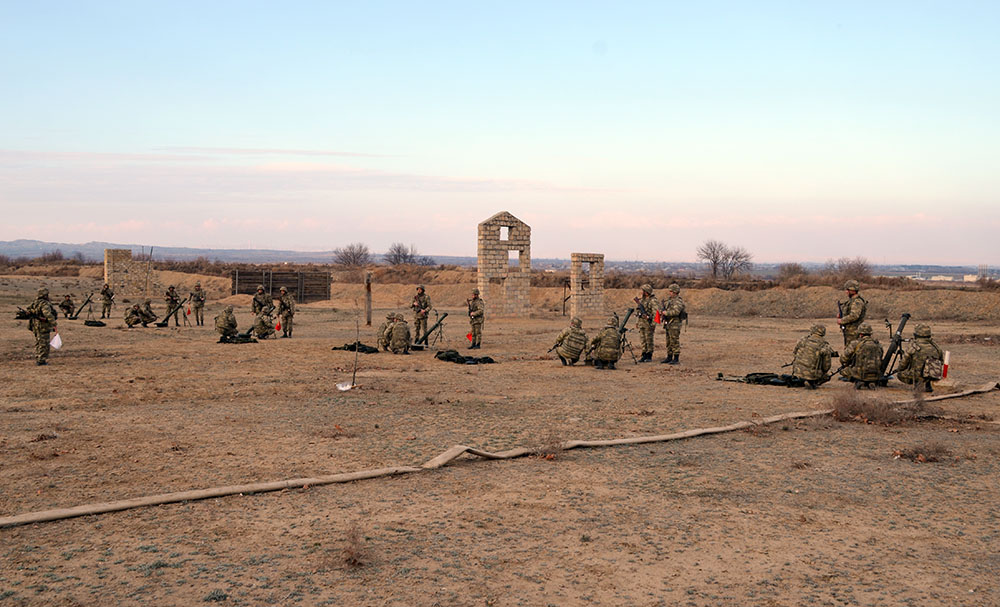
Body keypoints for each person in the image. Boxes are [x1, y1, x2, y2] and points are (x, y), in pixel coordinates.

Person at [896, 324, 944, 393]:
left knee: (900, 374)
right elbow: (941, 362)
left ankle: (917, 384)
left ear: (916, 335)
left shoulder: (913, 347)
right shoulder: (936, 347)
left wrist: (899, 369)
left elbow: (903, 364)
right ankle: (928, 384)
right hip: (932, 376)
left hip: (916, 375)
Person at [839, 323, 883, 388]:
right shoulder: (877, 344)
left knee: (843, 371)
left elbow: (843, 358)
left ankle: (859, 381)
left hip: (859, 374)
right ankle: (871, 382)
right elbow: (881, 356)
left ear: (860, 334)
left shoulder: (855, 343)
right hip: (875, 374)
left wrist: (847, 363)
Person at [25, 288, 57, 365]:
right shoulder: (44, 304)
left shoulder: (35, 302)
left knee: (39, 342)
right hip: (43, 326)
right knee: (44, 344)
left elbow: (29, 310)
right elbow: (47, 314)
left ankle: (38, 357)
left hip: (35, 326)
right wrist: (54, 323)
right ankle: (41, 360)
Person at [659, 283, 686, 365]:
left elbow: (676, 312)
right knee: (668, 341)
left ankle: (676, 358)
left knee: (674, 341)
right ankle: (669, 356)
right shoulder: (669, 300)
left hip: (675, 324)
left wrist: (666, 313)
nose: (669, 293)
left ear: (675, 292)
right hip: (668, 323)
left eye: (671, 291)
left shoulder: (678, 301)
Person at [837, 280, 867, 348]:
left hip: (854, 332)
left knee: (852, 350)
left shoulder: (857, 302)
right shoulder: (852, 301)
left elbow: (854, 316)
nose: (846, 292)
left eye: (848, 290)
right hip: (850, 332)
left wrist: (842, 320)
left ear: (853, 291)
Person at [633, 284, 658, 362]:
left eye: (643, 291)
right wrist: (637, 322)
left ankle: (649, 355)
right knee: (643, 340)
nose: (642, 292)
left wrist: (653, 324)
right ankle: (644, 354)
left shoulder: (653, 300)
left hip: (648, 324)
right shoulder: (642, 300)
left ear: (647, 292)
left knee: (649, 340)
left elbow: (656, 313)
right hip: (642, 323)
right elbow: (639, 311)